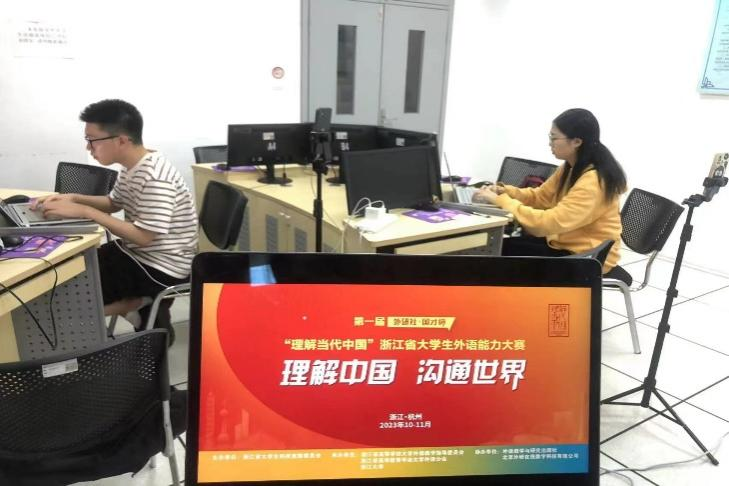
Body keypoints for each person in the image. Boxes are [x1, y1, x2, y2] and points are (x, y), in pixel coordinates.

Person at [33, 99, 198, 340]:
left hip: (162, 266)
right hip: (138, 253)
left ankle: (139, 305)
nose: (89, 147)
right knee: (77, 267)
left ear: (121, 140)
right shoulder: (133, 166)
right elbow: (113, 203)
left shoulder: (155, 178)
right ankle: (139, 309)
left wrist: (85, 211)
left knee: (77, 293)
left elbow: (144, 237)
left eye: (92, 140)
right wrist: (73, 198)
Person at [473, 108, 626, 273]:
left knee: (495, 254)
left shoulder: (594, 182)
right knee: (497, 247)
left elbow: (546, 224)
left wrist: (500, 201)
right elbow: (540, 197)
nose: (550, 143)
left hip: (587, 257)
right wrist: (504, 192)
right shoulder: (570, 167)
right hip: (562, 243)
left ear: (576, 142)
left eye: (554, 138)